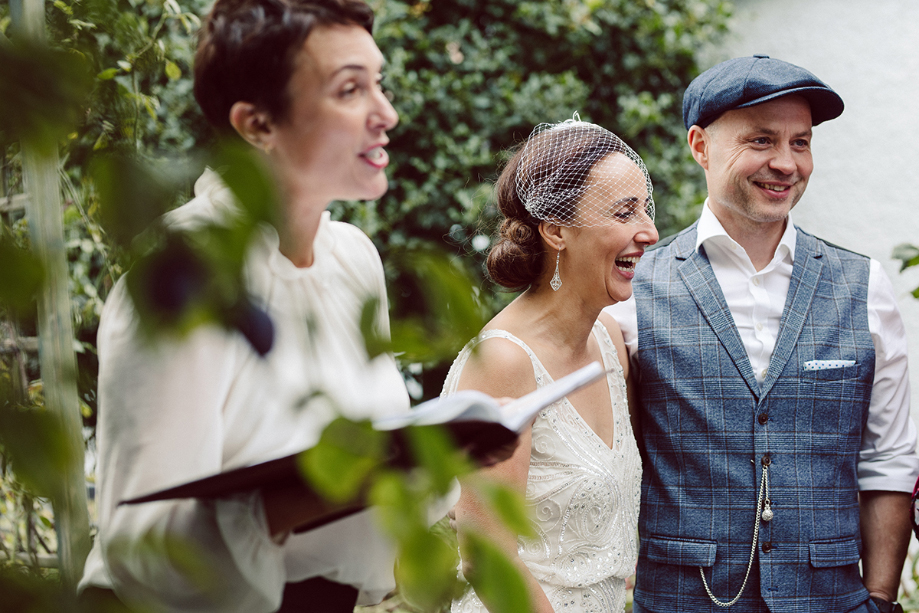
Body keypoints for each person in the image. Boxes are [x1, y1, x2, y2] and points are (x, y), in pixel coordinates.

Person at [76, 1, 459, 611]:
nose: (386, 114)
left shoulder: (354, 260)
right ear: (257, 124)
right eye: (350, 90)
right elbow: (143, 545)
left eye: (378, 84)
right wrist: (330, 490)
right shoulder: (183, 281)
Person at [607, 55, 919, 613]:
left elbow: (888, 459)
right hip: (684, 600)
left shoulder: (864, 285)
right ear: (700, 146)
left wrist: (879, 598)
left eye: (801, 142)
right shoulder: (632, 290)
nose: (785, 163)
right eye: (761, 140)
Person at [446, 118, 659, 613]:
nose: (649, 232)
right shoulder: (501, 361)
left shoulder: (607, 340)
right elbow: (485, 553)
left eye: (644, 210)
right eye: (624, 213)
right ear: (557, 230)